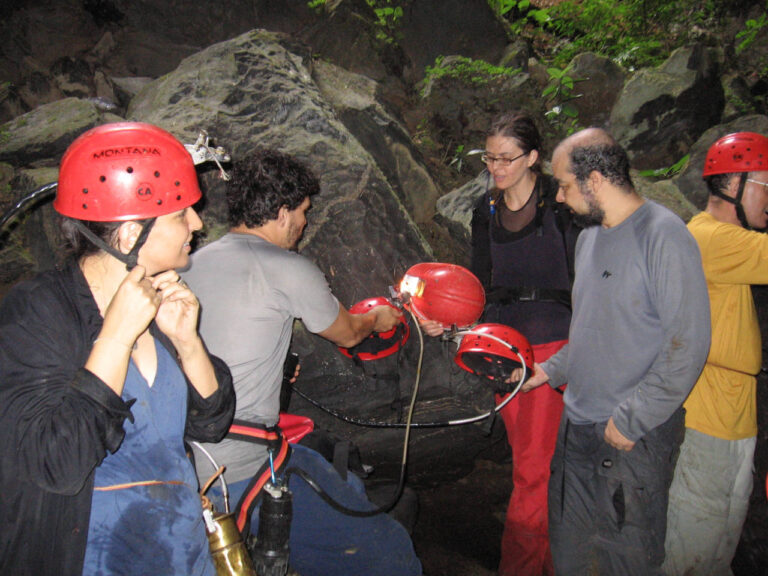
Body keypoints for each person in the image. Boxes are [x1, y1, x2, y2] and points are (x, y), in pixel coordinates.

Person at [0, 122, 235, 576]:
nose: (198, 223)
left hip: (181, 558)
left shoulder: (160, 301)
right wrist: (116, 336)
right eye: (181, 214)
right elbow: (55, 465)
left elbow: (213, 423)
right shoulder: (36, 314)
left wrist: (188, 344)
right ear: (131, 235)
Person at [182, 148, 422, 576]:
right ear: (281, 212)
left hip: (186, 461)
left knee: (337, 472)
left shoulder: (190, 263)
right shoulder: (287, 267)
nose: (306, 223)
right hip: (241, 469)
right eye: (304, 211)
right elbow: (348, 332)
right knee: (391, 553)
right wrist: (380, 317)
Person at [519, 127, 711, 575]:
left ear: (597, 180)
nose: (561, 198)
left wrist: (632, 418)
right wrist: (547, 370)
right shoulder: (588, 240)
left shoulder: (663, 235)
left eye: (565, 185)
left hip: (630, 440)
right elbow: (589, 331)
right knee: (572, 556)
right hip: (576, 430)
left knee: (626, 561)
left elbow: (688, 342)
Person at [471, 111, 578, 576]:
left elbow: (588, 279)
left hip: (555, 345)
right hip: (505, 351)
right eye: (489, 158)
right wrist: (445, 319)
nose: (496, 167)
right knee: (535, 466)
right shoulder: (485, 211)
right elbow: (478, 286)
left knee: (535, 471)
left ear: (534, 157)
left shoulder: (561, 206)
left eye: (507, 158)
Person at [663, 131, 768, 575]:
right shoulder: (709, 238)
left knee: (717, 553)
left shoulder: (732, 243)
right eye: (766, 184)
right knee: (692, 556)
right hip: (708, 422)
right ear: (733, 186)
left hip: (737, 418)